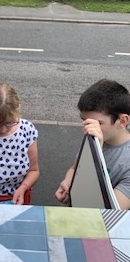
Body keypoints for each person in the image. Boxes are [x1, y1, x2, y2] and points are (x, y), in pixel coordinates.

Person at [55, 79, 130, 210]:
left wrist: (96, 153)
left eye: (98, 123)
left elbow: (110, 214)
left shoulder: (125, 161)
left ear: (122, 121)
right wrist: (68, 182)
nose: (89, 128)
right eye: (85, 121)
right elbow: (75, 168)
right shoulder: (95, 136)